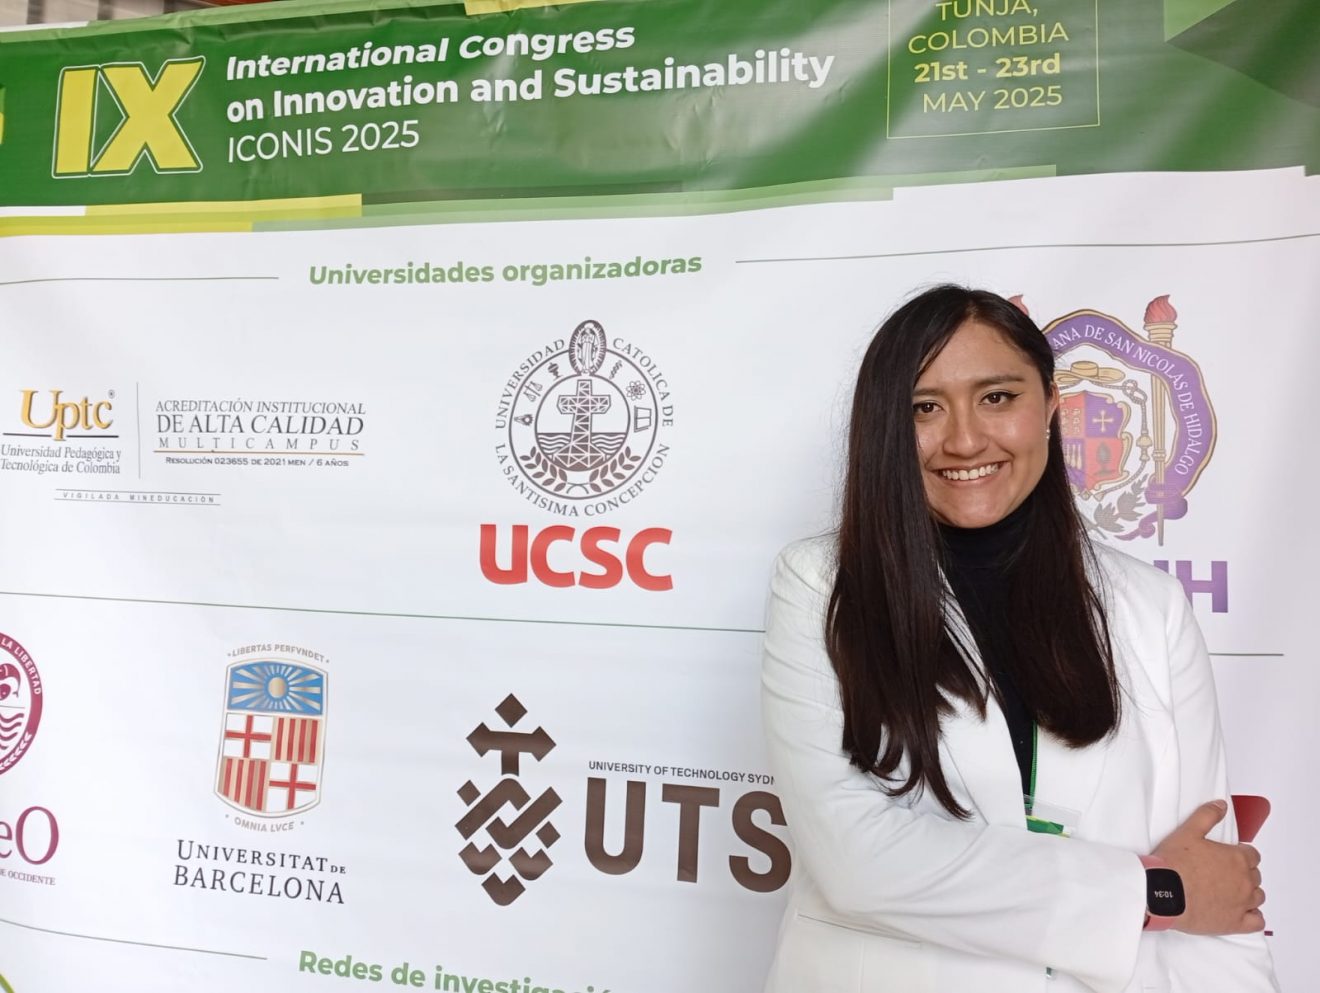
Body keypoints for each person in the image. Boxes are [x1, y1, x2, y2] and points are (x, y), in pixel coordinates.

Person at [760, 285, 1278, 993]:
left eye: (997, 397)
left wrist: (1185, 897)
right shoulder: (820, 586)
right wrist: (1154, 891)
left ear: (1052, 405)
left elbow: (1219, 889)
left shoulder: (1151, 607)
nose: (965, 439)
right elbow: (854, 858)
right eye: (924, 408)